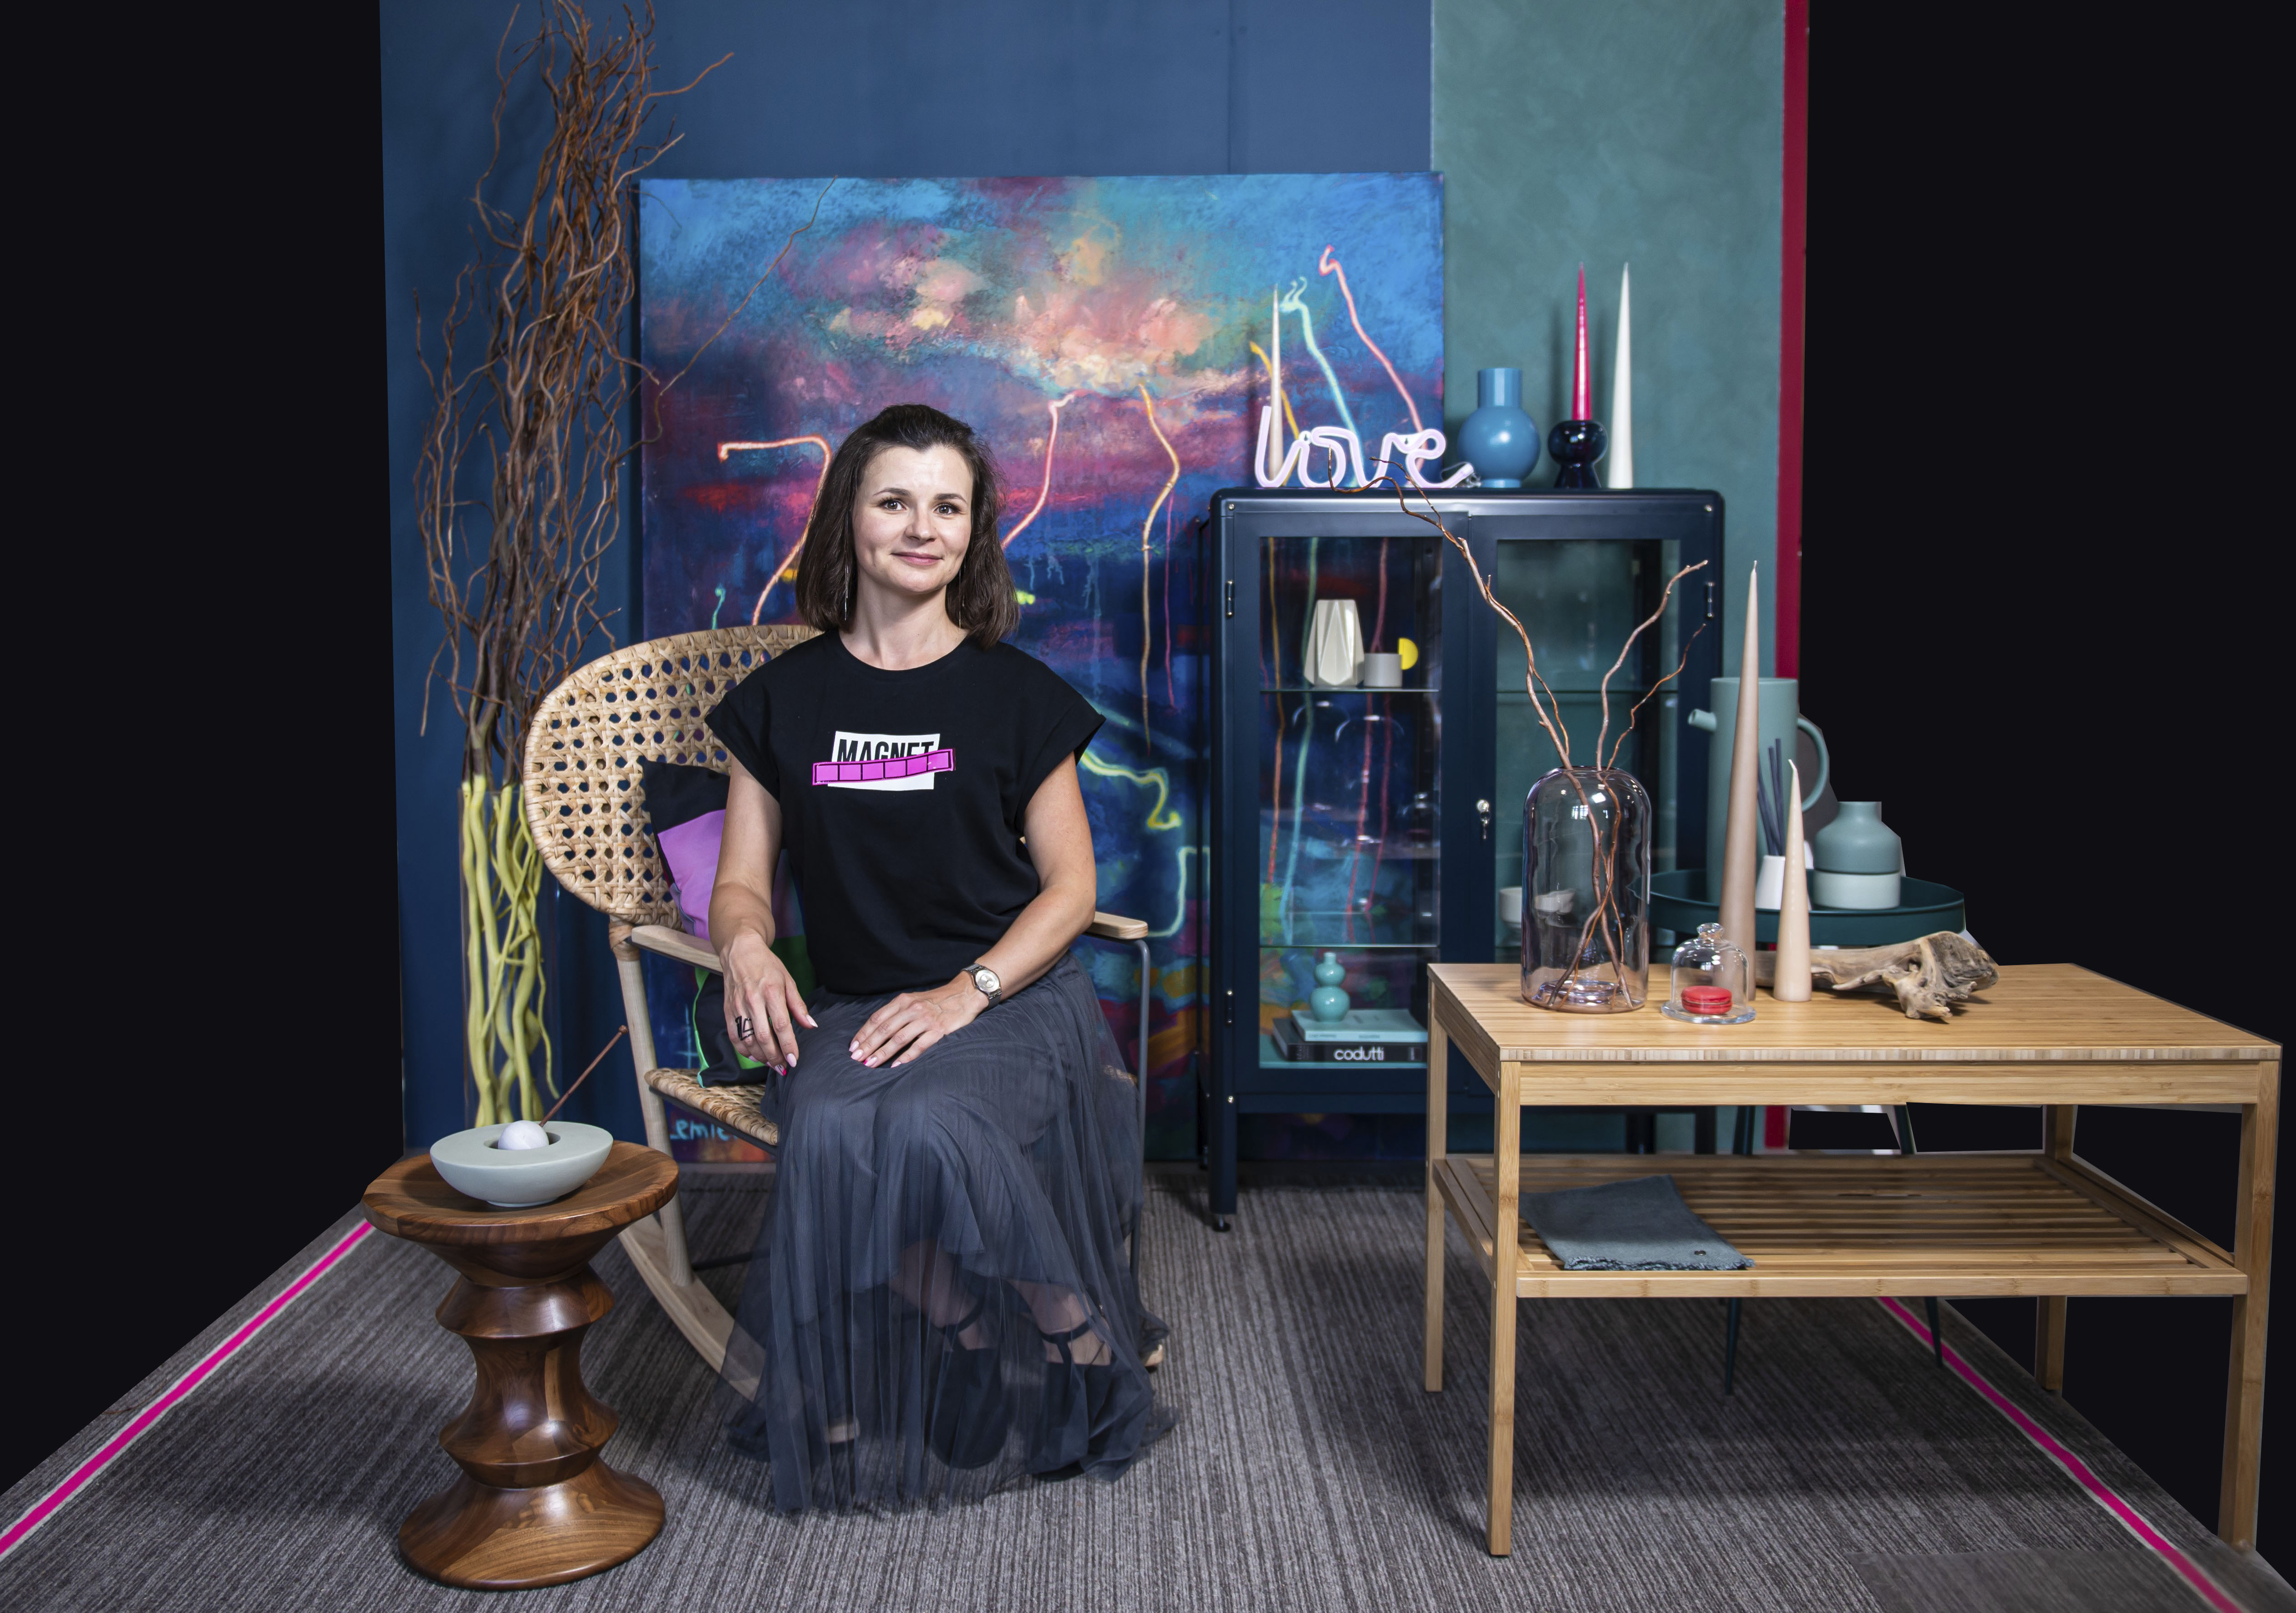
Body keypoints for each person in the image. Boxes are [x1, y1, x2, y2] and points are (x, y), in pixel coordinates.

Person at [704, 402, 1166, 1511]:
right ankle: (962, 1328)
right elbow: (739, 880)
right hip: (858, 1000)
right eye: (895, 501)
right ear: (847, 519)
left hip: (1009, 997)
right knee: (829, 1127)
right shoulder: (781, 701)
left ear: (972, 531)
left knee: (924, 1122)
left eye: (947, 506)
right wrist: (746, 946)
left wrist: (967, 992)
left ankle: (1077, 1344)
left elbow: (1071, 889)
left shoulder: (1017, 694)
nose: (922, 527)